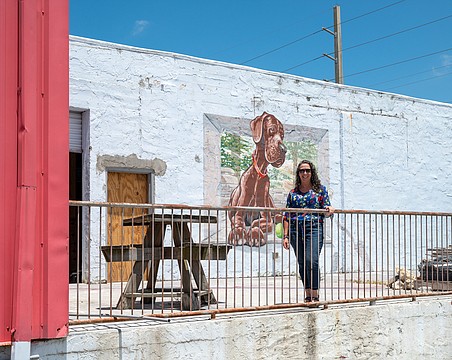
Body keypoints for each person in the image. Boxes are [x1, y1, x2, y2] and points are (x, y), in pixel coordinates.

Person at [282, 160, 334, 303]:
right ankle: (308, 293)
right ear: (298, 174)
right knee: (302, 262)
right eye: (302, 171)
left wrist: (330, 210)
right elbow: (286, 215)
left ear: (312, 173)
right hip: (295, 230)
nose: (305, 173)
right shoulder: (292, 193)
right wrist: (285, 236)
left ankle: (315, 293)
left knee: (312, 260)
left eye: (308, 170)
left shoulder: (320, 190)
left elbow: (327, 208)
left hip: (314, 227)